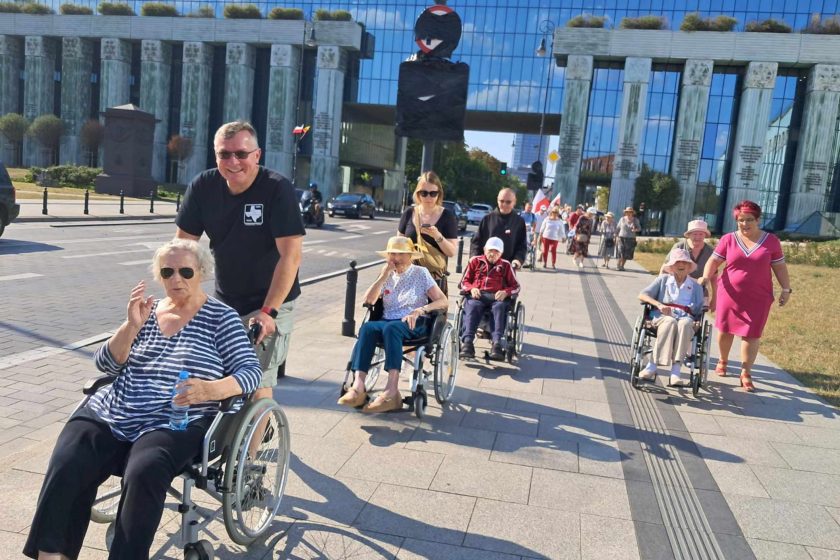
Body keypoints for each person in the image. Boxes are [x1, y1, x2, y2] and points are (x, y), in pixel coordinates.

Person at [23, 239, 262, 560]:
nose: (176, 279)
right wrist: (131, 325)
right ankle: (52, 555)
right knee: (70, 458)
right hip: (117, 408)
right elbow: (105, 363)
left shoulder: (222, 318)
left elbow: (250, 371)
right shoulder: (147, 312)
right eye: (168, 272)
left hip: (175, 419)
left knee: (145, 470)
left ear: (202, 272)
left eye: (185, 271)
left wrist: (212, 390)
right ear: (159, 276)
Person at [175, 121, 304, 401]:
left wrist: (268, 312)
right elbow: (182, 249)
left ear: (256, 155)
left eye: (241, 154)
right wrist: (179, 299)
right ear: (216, 155)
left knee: (255, 380)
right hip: (226, 299)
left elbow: (291, 256)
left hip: (271, 300)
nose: (233, 161)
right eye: (225, 154)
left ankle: (258, 442)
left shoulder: (276, 189)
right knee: (214, 372)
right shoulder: (204, 187)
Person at [337, 236, 448, 412]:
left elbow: (443, 301)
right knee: (367, 328)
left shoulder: (421, 273)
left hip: (414, 322)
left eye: (400, 254)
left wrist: (421, 310)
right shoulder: (387, 274)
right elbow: (368, 301)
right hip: (388, 320)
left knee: (391, 328)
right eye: (392, 254)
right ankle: (358, 387)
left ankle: (392, 391)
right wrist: (382, 276)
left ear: (410, 255)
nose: (395, 258)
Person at [700, 200, 791, 392]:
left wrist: (785, 289)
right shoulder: (728, 239)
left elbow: (779, 267)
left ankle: (745, 372)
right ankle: (723, 361)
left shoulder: (771, 241)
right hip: (729, 293)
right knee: (725, 330)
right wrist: (706, 278)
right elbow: (713, 261)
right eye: (740, 220)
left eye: (749, 220)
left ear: (758, 220)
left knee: (752, 333)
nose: (745, 224)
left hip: (759, 296)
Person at [637, 248, 706, 387]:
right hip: (662, 315)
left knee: (685, 324)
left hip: (686, 317)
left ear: (689, 267)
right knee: (669, 322)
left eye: (685, 262)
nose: (681, 265)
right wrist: (659, 304)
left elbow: (699, 309)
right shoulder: (663, 280)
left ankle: (675, 371)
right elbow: (642, 295)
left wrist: (698, 319)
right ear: (672, 266)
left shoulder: (696, 286)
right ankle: (652, 365)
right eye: (677, 262)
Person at [459, 237, 521, 360]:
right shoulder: (475, 261)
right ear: (484, 250)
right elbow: (463, 282)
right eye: (490, 250)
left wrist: (506, 292)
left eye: (496, 252)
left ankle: (496, 344)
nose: (493, 254)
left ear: (501, 253)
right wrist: (471, 288)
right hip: (478, 295)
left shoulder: (506, 265)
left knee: (499, 307)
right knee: (472, 305)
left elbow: (516, 287)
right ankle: (467, 343)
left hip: (496, 297)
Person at [397, 171, 459, 291]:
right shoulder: (409, 213)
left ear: (439, 194)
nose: (428, 197)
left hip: (433, 282)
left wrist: (437, 236)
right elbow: (398, 245)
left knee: (429, 309)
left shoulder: (447, 216)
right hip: (407, 277)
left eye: (433, 193)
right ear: (418, 194)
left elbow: (451, 252)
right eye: (424, 193)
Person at [470, 187, 528, 270]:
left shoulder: (519, 222)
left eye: (508, 202)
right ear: (497, 200)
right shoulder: (487, 219)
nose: (504, 204)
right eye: (502, 201)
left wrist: (518, 260)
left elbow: (522, 245)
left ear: (514, 202)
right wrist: (474, 257)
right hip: (485, 268)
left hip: (508, 269)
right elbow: (476, 242)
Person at [616, 206, 642, 271]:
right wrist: (615, 236)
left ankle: (622, 266)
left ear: (632, 213)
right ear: (625, 212)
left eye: (630, 212)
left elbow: (639, 228)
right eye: (627, 212)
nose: (628, 213)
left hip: (630, 239)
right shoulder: (622, 219)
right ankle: (618, 265)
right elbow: (618, 228)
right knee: (620, 252)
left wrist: (635, 230)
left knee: (626, 254)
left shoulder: (635, 220)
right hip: (621, 238)